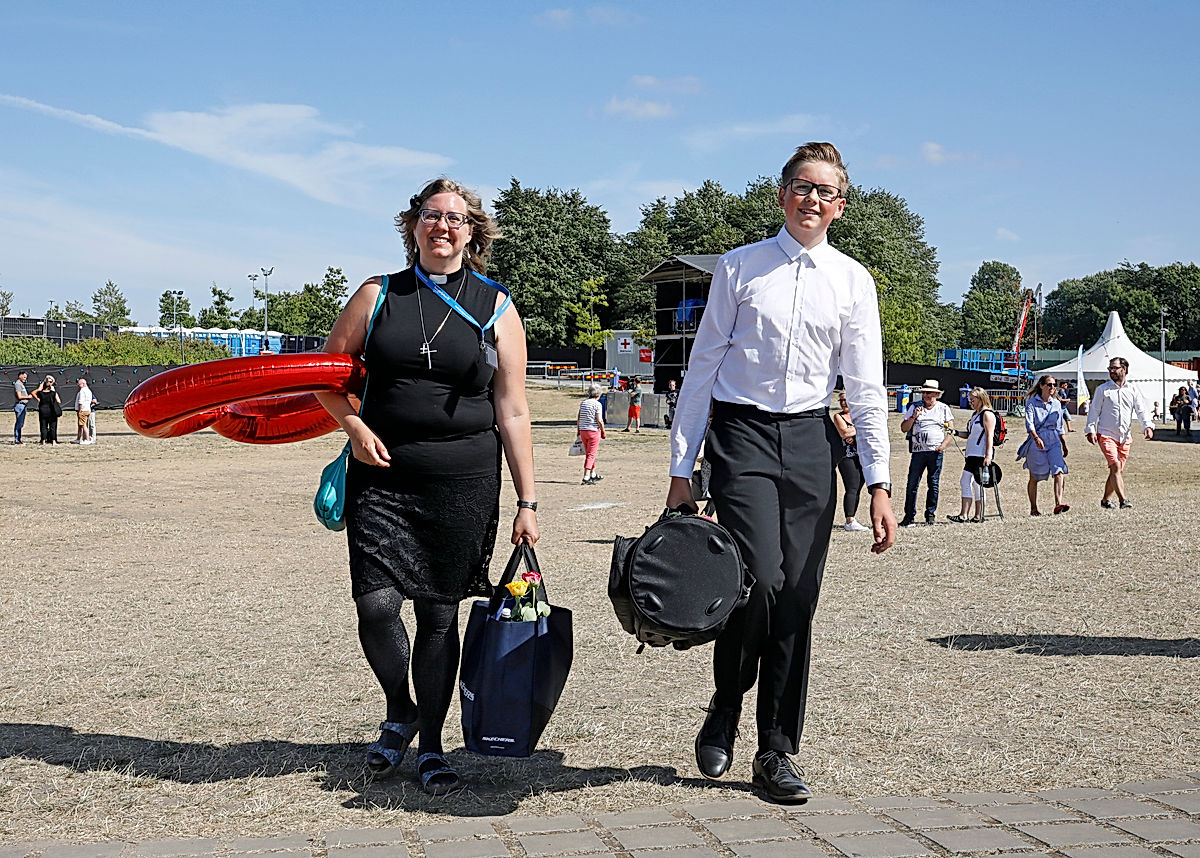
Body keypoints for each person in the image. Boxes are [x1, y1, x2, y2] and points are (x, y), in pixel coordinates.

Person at [666, 142, 895, 804]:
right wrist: (683, 466)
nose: (812, 200)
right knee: (758, 580)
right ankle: (726, 704)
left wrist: (877, 482)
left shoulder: (854, 280)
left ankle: (776, 750)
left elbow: (866, 387)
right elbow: (703, 368)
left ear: (841, 207)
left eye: (826, 192)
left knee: (798, 596)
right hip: (741, 436)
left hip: (809, 438)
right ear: (781, 194)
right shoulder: (740, 269)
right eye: (803, 187)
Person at [314, 177, 538, 796]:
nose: (443, 227)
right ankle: (400, 708)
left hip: (462, 478)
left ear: (473, 232)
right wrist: (353, 425)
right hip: (382, 475)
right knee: (376, 604)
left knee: (440, 615)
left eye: (456, 219)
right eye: (432, 216)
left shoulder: (496, 304)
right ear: (412, 225)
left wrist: (527, 500)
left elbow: (512, 408)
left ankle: (433, 746)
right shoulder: (376, 294)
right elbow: (324, 376)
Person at [1085, 356, 1153, 509]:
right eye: (1110, 368)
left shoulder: (1133, 389)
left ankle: (1105, 500)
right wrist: (1090, 429)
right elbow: (1094, 411)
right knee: (1115, 466)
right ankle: (1123, 500)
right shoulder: (1103, 390)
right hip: (1106, 434)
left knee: (1116, 470)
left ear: (1125, 369)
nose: (1112, 371)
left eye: (1115, 368)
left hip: (1125, 436)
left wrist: (1147, 426)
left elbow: (1141, 410)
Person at [898, 379, 954, 527]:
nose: (926, 396)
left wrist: (943, 445)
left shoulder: (943, 408)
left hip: (935, 452)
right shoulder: (914, 407)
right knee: (912, 484)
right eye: (924, 393)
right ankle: (909, 516)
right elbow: (904, 428)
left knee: (933, 483)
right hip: (918, 452)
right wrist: (913, 417)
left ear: (936, 394)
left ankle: (930, 515)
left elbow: (951, 431)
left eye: (929, 393)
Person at [1016, 375, 1069, 516]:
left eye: (1054, 385)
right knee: (1034, 476)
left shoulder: (1057, 403)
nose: (1052, 387)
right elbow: (1029, 423)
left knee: (1059, 470)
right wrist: (1036, 438)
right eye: (1049, 384)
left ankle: (1058, 504)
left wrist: (1063, 443)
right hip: (1037, 439)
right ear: (1041, 385)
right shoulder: (1032, 403)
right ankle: (1034, 508)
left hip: (1054, 440)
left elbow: (1059, 426)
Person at [947, 387, 996, 523]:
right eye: (969, 400)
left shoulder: (987, 414)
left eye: (972, 400)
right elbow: (970, 435)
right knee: (971, 482)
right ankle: (970, 515)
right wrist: (955, 432)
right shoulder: (975, 415)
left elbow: (989, 435)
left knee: (973, 482)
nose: (970, 403)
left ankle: (970, 515)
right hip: (971, 454)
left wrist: (988, 455)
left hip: (980, 454)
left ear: (980, 399)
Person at [832, 391, 868, 532]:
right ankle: (850, 520)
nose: (843, 403)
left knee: (858, 486)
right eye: (841, 401)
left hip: (861, 455)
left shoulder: (858, 416)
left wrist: (854, 429)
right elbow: (844, 433)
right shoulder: (838, 416)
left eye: (846, 400)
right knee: (851, 487)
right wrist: (858, 429)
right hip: (847, 456)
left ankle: (853, 517)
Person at [576, 383, 606, 484]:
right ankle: (586, 476)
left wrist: (578, 430)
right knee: (591, 454)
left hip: (583, 430)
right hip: (593, 431)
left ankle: (592, 473)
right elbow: (599, 420)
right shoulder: (597, 404)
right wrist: (603, 431)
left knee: (589, 453)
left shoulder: (584, 403)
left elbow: (579, 417)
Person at [12, 371, 32, 444]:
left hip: (23, 405)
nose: (25, 379)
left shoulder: (21, 384)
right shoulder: (18, 384)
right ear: (19, 376)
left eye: (26, 377)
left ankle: (19, 439)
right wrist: (28, 397)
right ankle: (17, 439)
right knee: (19, 423)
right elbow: (19, 396)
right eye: (24, 377)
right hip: (20, 405)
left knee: (21, 423)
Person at [74, 378, 95, 445]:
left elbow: (81, 402)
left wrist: (79, 410)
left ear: (83, 384)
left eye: (79, 384)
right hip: (87, 409)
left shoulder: (82, 391)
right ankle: (78, 438)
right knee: (80, 425)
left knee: (83, 425)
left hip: (83, 410)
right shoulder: (89, 391)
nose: (78, 386)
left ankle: (87, 439)